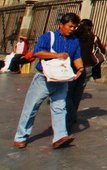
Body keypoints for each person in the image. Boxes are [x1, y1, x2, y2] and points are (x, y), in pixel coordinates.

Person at [13, 12, 83, 149]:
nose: (72, 29)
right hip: (44, 78)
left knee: (60, 108)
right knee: (32, 107)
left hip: (62, 79)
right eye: (70, 26)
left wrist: (80, 69)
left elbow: (76, 57)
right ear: (61, 25)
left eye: (74, 27)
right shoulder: (48, 36)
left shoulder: (75, 40)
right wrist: (56, 55)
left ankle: (60, 137)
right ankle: (21, 136)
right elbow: (37, 52)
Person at [66, 19, 103, 131]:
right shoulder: (93, 37)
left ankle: (67, 115)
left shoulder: (73, 36)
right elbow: (102, 50)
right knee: (78, 93)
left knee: (68, 92)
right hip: (86, 67)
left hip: (72, 66)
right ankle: (72, 116)